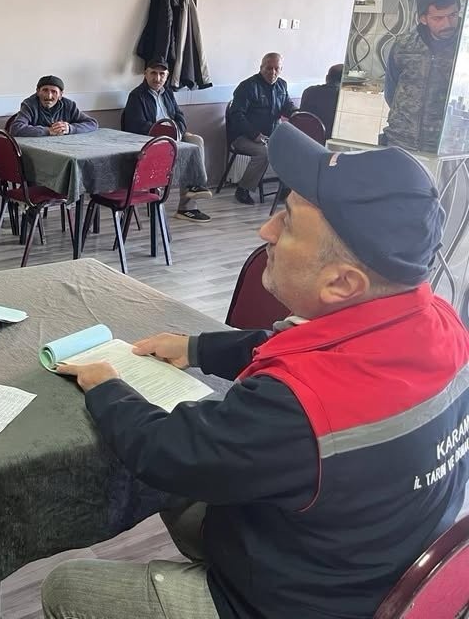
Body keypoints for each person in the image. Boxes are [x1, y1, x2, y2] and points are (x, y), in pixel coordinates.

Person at [45, 122, 469, 619]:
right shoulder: (439, 321)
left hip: (298, 602)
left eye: (286, 223)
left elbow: (167, 451)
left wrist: (107, 387)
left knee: (66, 587)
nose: (265, 230)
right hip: (363, 556)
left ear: (341, 283)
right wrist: (196, 348)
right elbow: (302, 347)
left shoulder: (296, 408)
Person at [121, 59, 213, 223]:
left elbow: (179, 116)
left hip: (174, 136)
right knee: (186, 153)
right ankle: (192, 190)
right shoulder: (136, 96)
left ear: (167, 76)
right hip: (151, 141)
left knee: (195, 140)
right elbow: (136, 126)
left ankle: (191, 199)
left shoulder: (168, 93)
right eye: (153, 73)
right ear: (145, 74)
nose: (157, 78)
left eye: (161, 74)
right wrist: (166, 132)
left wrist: (178, 131)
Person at [383, 0, 462, 153]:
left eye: (453, 15)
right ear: (423, 19)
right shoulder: (404, 46)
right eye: (438, 18)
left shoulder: (464, 47)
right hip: (400, 143)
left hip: (448, 147)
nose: (447, 24)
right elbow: (391, 93)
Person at [228, 53, 295, 204]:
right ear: (261, 68)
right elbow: (236, 115)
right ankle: (243, 189)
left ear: (281, 69)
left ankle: (285, 189)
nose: (273, 72)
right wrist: (254, 134)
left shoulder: (282, 85)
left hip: (272, 135)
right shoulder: (247, 86)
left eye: (277, 69)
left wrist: (296, 113)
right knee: (263, 153)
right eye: (269, 68)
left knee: (293, 149)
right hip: (243, 136)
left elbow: (287, 106)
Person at [9, 75, 98, 137]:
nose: (49, 96)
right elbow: (16, 128)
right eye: (45, 90)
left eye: (54, 92)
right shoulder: (29, 104)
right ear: (38, 92)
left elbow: (92, 123)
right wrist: (48, 131)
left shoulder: (69, 105)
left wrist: (70, 128)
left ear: (60, 95)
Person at [298, 63, 342, 141]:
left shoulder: (309, 91)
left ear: (327, 78)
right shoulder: (343, 98)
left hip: (304, 140)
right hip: (328, 144)